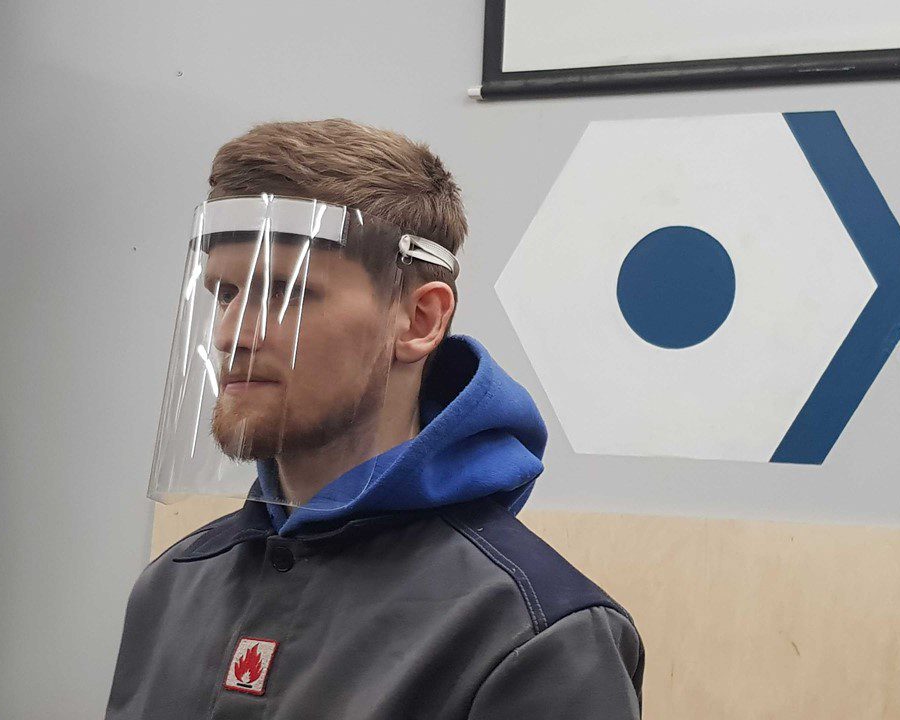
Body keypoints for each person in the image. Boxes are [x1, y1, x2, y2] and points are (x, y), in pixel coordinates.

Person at [106, 118, 644, 719]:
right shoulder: (173, 587)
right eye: (226, 294)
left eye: (285, 291)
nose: (232, 334)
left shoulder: (533, 634)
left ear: (419, 320)